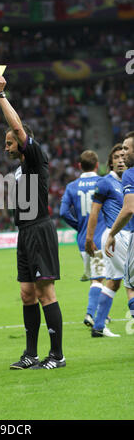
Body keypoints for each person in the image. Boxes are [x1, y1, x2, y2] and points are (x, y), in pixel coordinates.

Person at [0, 75, 65, 370]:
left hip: (40, 229)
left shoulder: (36, 158)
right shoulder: (20, 171)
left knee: (45, 292)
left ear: (21, 143)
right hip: (24, 233)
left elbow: (19, 127)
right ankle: (31, 354)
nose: (6, 147)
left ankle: (57, 355)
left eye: (9, 143)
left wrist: (0, 96)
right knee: (26, 293)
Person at [85, 144, 130, 337]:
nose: (120, 160)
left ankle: (99, 326)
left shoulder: (129, 181)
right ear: (110, 162)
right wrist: (89, 238)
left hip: (127, 236)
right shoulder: (105, 183)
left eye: (123, 156)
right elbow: (94, 212)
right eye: (116, 157)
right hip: (116, 236)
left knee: (114, 282)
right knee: (130, 282)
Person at [60, 150, 107, 328]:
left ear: (79, 166)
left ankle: (103, 314)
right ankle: (90, 314)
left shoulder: (72, 186)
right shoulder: (103, 182)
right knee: (99, 279)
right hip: (99, 238)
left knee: (97, 276)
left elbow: (63, 212)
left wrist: (79, 226)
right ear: (97, 165)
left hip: (81, 240)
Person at [105, 132, 134, 321]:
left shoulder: (130, 174)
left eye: (126, 148)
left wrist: (111, 234)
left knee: (130, 285)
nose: (123, 152)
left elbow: (129, 209)